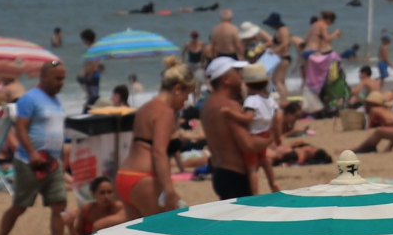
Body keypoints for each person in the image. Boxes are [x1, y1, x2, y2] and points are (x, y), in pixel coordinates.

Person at [0, 60, 71, 235]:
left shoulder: (55, 101)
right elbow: (20, 128)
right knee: (20, 207)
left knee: (59, 205)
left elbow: (56, 131)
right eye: (58, 78)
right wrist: (32, 153)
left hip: (53, 163)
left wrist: (63, 160)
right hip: (29, 163)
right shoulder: (29, 99)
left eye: (63, 79)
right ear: (44, 77)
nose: (61, 82)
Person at [117, 65, 189, 220]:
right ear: (177, 88)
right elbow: (158, 152)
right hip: (144, 178)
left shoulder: (144, 108)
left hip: (124, 176)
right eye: (187, 95)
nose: (185, 102)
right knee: (165, 233)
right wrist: (169, 190)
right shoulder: (165, 111)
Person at [201, 56, 264, 201]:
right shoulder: (230, 106)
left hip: (218, 171)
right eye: (238, 72)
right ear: (226, 79)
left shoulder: (207, 105)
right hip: (235, 174)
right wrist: (269, 138)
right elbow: (247, 145)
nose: (241, 77)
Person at [240, 62, 282, 192]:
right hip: (266, 133)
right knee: (264, 159)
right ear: (265, 83)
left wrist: (232, 115)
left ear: (246, 85)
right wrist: (277, 136)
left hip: (254, 135)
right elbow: (277, 118)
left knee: (252, 167)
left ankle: (254, 192)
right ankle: (273, 182)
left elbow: (248, 118)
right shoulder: (270, 100)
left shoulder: (251, 100)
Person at [76, 29, 102, 111]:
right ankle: (89, 98)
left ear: (86, 39)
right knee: (92, 94)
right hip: (92, 74)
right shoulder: (94, 48)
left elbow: (94, 63)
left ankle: (89, 109)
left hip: (92, 74)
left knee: (93, 96)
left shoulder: (92, 49)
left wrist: (90, 74)